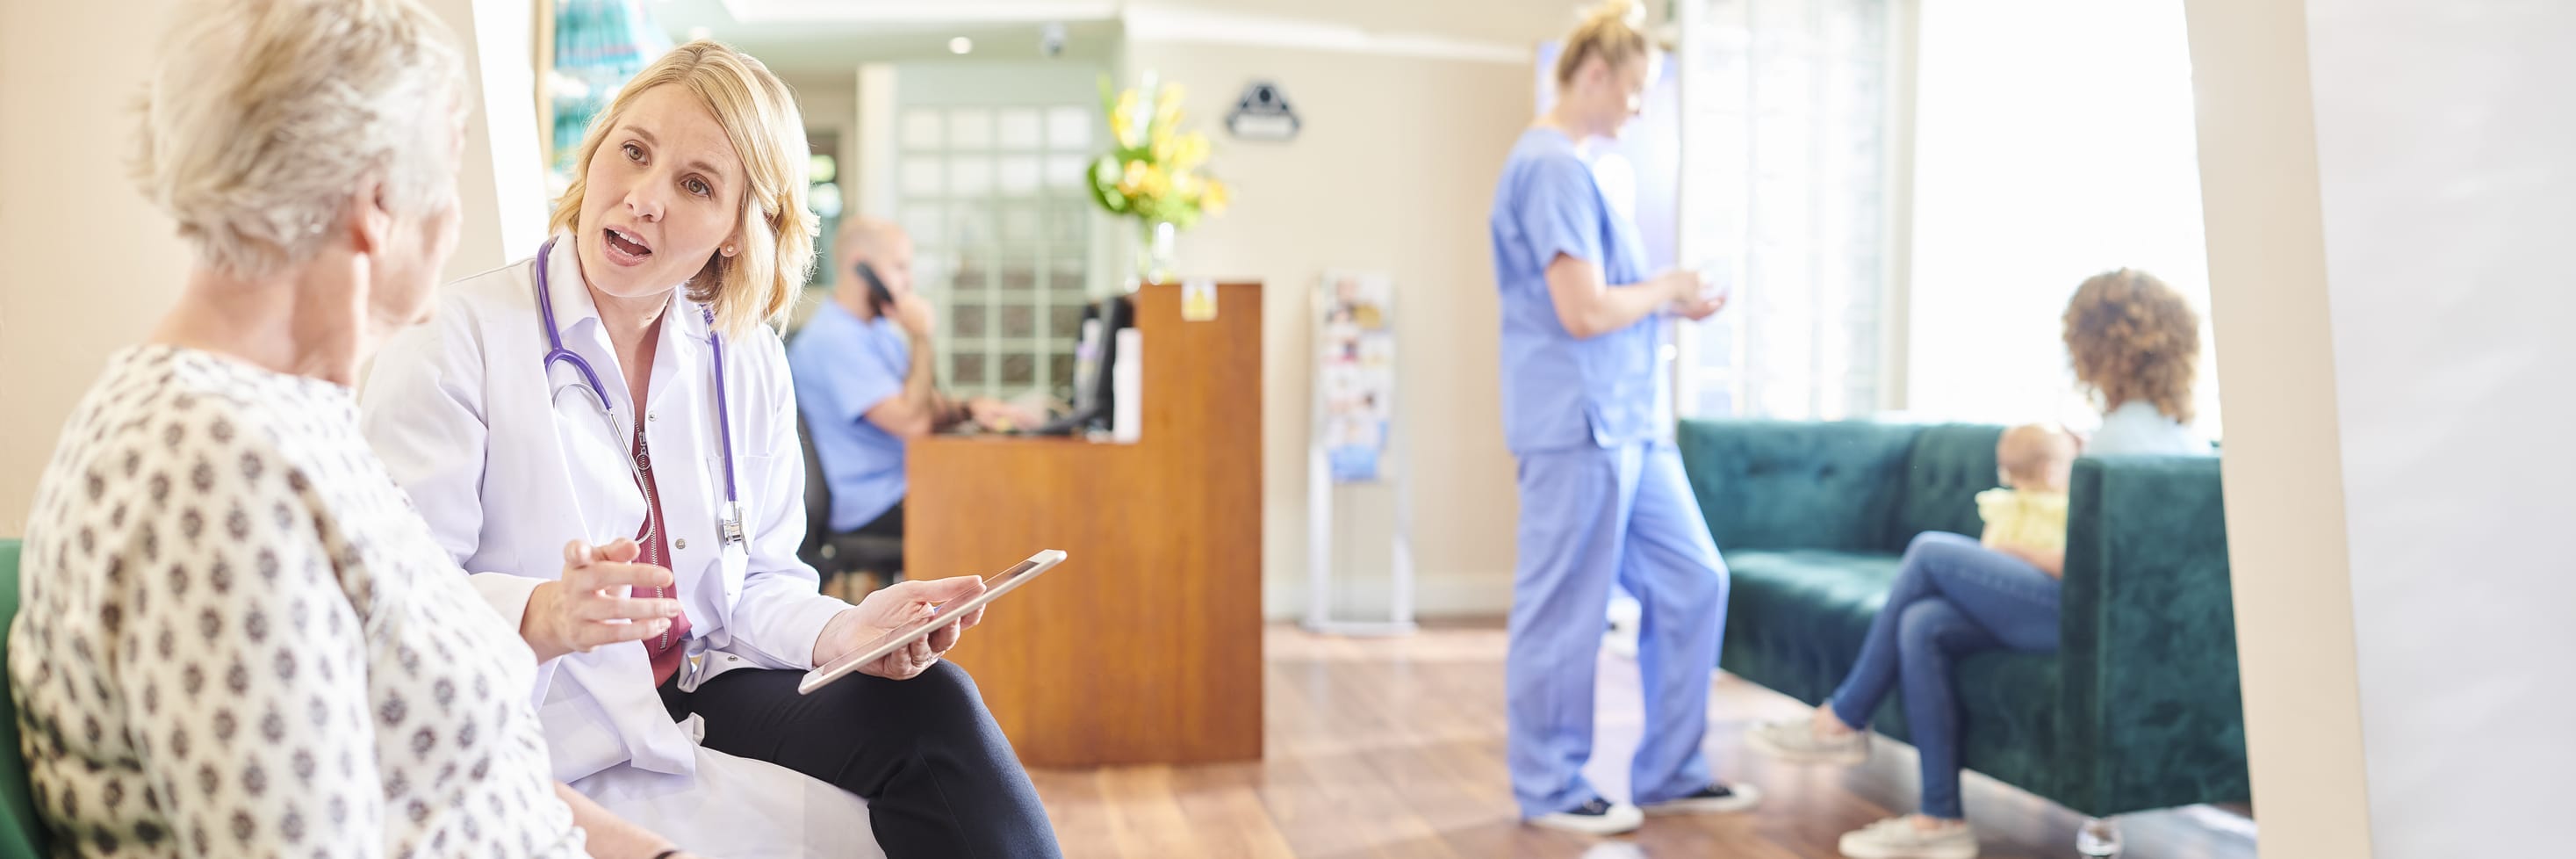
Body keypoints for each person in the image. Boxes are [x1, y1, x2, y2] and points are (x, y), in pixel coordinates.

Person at [7, 1, 699, 856]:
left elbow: (463, 763)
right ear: (376, 205)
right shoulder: (211, 465)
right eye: (447, 176)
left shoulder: (299, 417)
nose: (452, 221)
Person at [357, 40, 1061, 858]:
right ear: (596, 155)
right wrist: (543, 611)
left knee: (933, 704)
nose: (644, 199)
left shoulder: (742, 352)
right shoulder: (456, 339)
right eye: (634, 151)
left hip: (697, 687)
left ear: (737, 229)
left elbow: (756, 581)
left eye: (696, 184)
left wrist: (849, 634)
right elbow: (396, 604)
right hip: (547, 715)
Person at [1745, 269, 2213, 859]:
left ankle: (1843, 718)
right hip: (2121, 628)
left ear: (2101, 347)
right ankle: (1939, 820)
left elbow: (2084, 570)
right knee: (1925, 625)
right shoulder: (2177, 436)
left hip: (2090, 628)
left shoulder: (2118, 443)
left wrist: (2008, 550)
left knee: (1931, 552)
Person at [1488, 0, 1752, 837]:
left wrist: (1669, 306)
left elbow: (1608, 307)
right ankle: (1553, 785)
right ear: (1594, 74)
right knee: (1566, 606)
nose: (1639, 109)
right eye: (1635, 90)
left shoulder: (1585, 169)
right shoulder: (1553, 167)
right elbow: (1584, 310)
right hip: (1577, 423)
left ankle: (1672, 767)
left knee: (1693, 579)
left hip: (1631, 420)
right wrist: (1670, 288)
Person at [787, 218, 1038, 544]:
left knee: (1012, 489)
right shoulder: (835, 339)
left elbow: (921, 402)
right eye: (900, 268)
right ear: (861, 268)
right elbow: (913, 422)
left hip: (904, 484)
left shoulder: (876, 331)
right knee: (997, 511)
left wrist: (970, 409)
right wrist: (921, 338)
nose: (909, 281)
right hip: (872, 502)